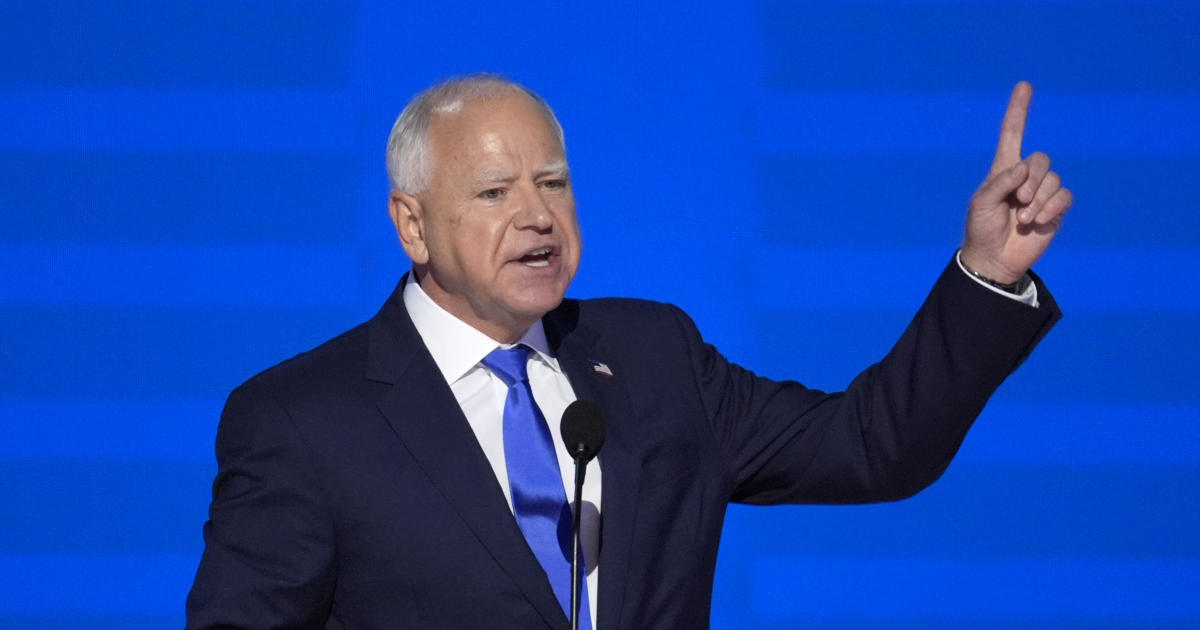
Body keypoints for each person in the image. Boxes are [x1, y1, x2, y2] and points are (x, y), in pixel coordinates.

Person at [185, 74, 1071, 630]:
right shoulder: (304, 418)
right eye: (495, 192)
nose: (538, 216)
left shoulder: (653, 357)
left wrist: (986, 273)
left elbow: (876, 446)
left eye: (554, 183)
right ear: (410, 224)